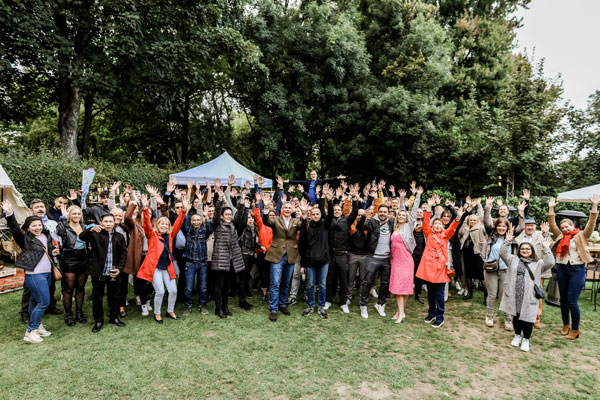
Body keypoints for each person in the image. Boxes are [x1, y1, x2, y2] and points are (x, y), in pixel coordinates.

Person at [3, 200, 59, 343]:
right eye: (34, 226)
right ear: (28, 228)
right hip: (35, 275)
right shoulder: (25, 239)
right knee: (43, 302)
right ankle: (30, 331)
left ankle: (38, 326)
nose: (37, 228)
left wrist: (55, 251)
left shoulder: (45, 236)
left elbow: (49, 251)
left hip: (47, 274)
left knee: (34, 302)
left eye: (39, 225)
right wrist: (9, 213)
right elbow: (15, 228)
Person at [547, 195, 599, 339]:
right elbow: (552, 224)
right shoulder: (560, 236)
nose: (564, 229)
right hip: (563, 269)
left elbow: (591, 223)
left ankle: (575, 329)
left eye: (567, 226)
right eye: (562, 227)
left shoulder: (581, 235)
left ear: (573, 226)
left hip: (577, 270)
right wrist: (551, 209)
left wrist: (594, 206)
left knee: (572, 300)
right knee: (563, 299)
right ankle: (566, 324)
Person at [500, 229, 554, 352]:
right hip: (515, 294)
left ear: (532, 251)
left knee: (528, 319)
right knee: (517, 316)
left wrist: (546, 248)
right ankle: (517, 335)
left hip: (530, 295)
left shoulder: (538, 263)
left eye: (527, 249)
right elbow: (502, 253)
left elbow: (550, 262)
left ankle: (526, 340)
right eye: (522, 249)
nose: (524, 250)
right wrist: (507, 242)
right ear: (519, 251)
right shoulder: (513, 259)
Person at [416, 198, 466, 328]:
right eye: (435, 224)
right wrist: (430, 207)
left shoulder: (446, 234)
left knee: (439, 295)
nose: (437, 225)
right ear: (433, 226)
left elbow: (453, 226)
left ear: (442, 226)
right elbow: (425, 223)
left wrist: (458, 217)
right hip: (429, 267)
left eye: (439, 224)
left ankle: (440, 316)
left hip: (440, 268)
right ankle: (431, 313)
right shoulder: (428, 233)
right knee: (431, 294)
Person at [136, 194, 187, 323]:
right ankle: (157, 313)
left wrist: (184, 211)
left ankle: (170, 310)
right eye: (161, 223)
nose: (164, 225)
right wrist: (145, 208)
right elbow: (147, 224)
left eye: (166, 224)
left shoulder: (170, 236)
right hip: (155, 268)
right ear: (157, 225)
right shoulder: (152, 235)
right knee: (160, 291)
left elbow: (178, 223)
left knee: (173, 291)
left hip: (167, 267)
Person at [261, 194, 308, 322]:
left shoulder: (295, 221)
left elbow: (304, 225)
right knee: (275, 283)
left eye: (289, 208)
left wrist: (304, 213)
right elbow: (266, 221)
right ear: (282, 209)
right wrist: (265, 208)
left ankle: (282, 305)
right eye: (285, 207)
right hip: (277, 255)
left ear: (292, 210)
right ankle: (273, 309)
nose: (287, 209)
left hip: (291, 256)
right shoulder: (276, 219)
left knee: (286, 283)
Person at [79, 213, 128, 333]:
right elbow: (82, 237)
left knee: (114, 296)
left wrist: (120, 269)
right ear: (101, 222)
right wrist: (90, 229)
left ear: (114, 222)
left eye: (110, 221)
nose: (108, 224)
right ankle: (98, 320)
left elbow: (123, 255)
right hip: (98, 272)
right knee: (97, 298)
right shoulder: (95, 234)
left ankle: (114, 317)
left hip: (113, 272)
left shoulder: (119, 236)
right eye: (106, 221)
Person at [19, 198, 62, 324]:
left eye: (42, 206)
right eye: (37, 207)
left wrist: (54, 250)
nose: (40, 209)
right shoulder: (27, 226)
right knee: (29, 290)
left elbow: (53, 241)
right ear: (31, 210)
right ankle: (25, 313)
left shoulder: (53, 223)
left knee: (50, 285)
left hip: (49, 261)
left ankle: (50, 307)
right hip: (33, 265)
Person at [355, 202, 396, 319]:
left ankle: (380, 304)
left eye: (385, 212)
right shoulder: (372, 222)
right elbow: (359, 227)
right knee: (367, 282)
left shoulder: (392, 223)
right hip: (372, 257)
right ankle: (363, 305)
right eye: (381, 212)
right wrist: (363, 217)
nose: (383, 214)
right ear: (378, 212)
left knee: (385, 283)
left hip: (386, 258)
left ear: (388, 214)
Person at [210, 192, 246, 318]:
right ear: (221, 216)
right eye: (226, 214)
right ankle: (218, 308)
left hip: (231, 260)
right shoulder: (217, 225)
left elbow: (239, 215)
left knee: (227, 286)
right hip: (220, 260)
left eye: (230, 214)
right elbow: (216, 214)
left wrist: (241, 201)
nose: (229, 216)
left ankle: (225, 307)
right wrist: (220, 199)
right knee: (219, 285)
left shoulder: (233, 225)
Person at [389, 186, 422, 323]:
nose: (401, 216)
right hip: (396, 261)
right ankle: (400, 312)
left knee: (405, 288)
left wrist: (418, 196)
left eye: (404, 215)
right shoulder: (395, 228)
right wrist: (401, 199)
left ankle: (401, 313)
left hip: (407, 261)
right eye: (400, 215)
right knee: (397, 288)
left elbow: (413, 212)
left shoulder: (409, 227)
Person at [300, 192, 334, 318]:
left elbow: (330, 215)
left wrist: (329, 202)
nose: (315, 216)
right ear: (310, 215)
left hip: (324, 261)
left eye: (317, 214)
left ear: (321, 215)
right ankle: (310, 305)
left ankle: (321, 307)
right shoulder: (306, 228)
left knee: (322, 285)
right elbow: (302, 247)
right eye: (313, 214)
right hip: (309, 262)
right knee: (309, 284)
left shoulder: (325, 226)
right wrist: (303, 264)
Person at [515, 218, 551, 329]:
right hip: (521, 269)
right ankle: (521, 314)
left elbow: (550, 245)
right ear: (524, 226)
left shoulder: (541, 237)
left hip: (535, 270)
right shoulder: (518, 238)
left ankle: (536, 317)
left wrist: (546, 232)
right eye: (527, 225)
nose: (530, 227)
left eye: (532, 225)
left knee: (536, 293)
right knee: (520, 292)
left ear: (535, 226)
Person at [56, 205, 88, 325]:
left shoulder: (84, 226)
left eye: (78, 214)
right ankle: (68, 314)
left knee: (80, 287)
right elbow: (59, 232)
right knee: (69, 288)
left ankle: (79, 312)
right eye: (74, 214)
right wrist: (63, 218)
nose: (76, 216)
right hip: (69, 259)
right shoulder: (64, 226)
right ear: (69, 214)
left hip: (83, 259)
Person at [326, 193, 358, 313]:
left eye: (339, 210)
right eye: (335, 210)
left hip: (342, 254)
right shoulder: (329, 221)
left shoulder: (346, 220)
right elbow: (328, 213)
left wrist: (354, 199)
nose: (337, 211)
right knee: (329, 279)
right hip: (330, 254)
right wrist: (329, 201)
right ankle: (328, 300)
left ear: (342, 211)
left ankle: (343, 302)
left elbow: (354, 212)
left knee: (343, 280)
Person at [181, 207, 213, 316]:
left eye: (198, 220)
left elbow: (210, 227)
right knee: (188, 287)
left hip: (203, 263)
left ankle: (202, 305)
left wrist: (207, 217)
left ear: (201, 221)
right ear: (191, 221)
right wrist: (185, 211)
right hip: (190, 263)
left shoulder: (205, 230)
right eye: (194, 220)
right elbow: (183, 222)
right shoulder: (188, 230)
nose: (196, 222)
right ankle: (187, 306)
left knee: (203, 287)